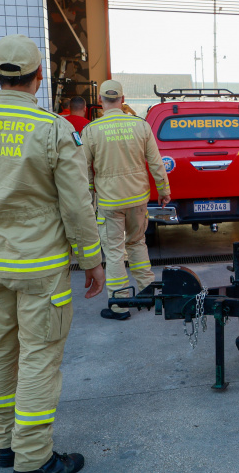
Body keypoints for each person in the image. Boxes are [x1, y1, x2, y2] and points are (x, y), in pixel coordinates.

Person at [0, 35, 104, 473]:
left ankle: (4, 443)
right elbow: (76, 205)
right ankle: (33, 458)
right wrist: (92, 260)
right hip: (41, 268)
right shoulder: (53, 129)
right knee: (38, 357)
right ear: (39, 78)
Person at [82, 80, 171, 320]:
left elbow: (84, 169)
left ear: (100, 101)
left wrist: (91, 193)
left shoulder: (91, 130)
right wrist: (164, 191)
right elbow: (156, 162)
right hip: (138, 199)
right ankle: (148, 293)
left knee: (113, 251)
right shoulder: (140, 126)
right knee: (137, 243)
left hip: (110, 203)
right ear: (123, 99)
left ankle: (119, 304)